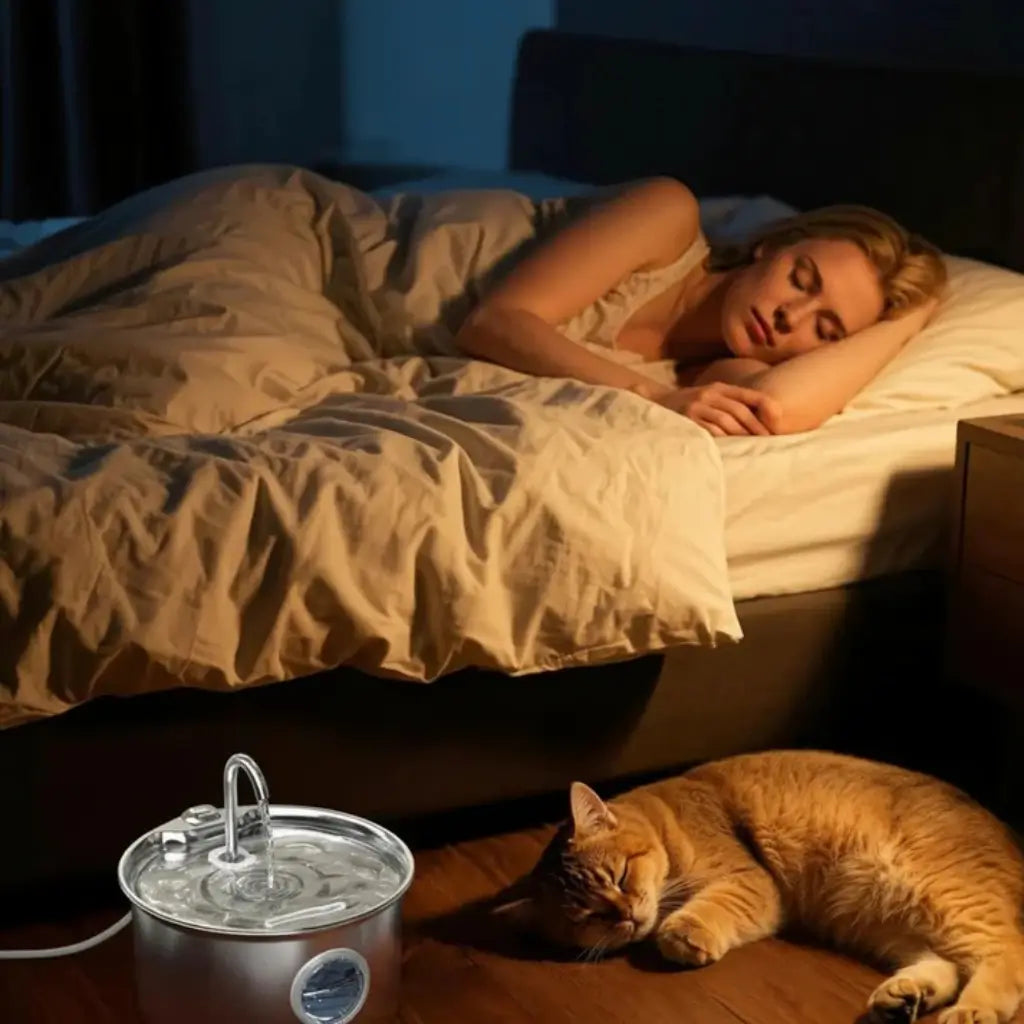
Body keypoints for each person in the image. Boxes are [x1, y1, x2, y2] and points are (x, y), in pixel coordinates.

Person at [453, 177, 947, 436]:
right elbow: (494, 321)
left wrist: (910, 316)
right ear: (771, 245)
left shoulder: (710, 376)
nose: (791, 317)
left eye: (826, 330)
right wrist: (653, 397)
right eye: (801, 279)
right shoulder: (667, 213)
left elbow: (777, 408)